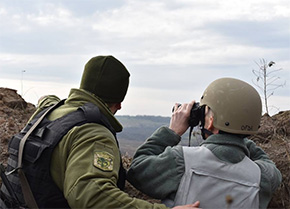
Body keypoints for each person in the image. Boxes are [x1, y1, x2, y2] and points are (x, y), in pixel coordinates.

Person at [0, 55, 200, 209]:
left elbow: (47, 98)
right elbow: (92, 196)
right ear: (119, 104)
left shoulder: (48, 111)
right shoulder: (94, 134)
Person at [127, 77, 282, 209]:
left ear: (210, 121)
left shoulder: (181, 160)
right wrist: (238, 134)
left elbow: (137, 170)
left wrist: (172, 132)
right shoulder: (263, 177)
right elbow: (267, 163)